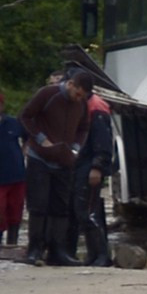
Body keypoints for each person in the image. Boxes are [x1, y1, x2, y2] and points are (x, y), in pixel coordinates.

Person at [18, 70, 88, 267]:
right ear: (71, 85)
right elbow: (26, 116)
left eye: (82, 97)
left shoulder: (81, 104)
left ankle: (57, 250)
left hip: (64, 159)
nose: (78, 99)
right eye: (77, 94)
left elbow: (84, 128)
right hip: (40, 157)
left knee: (60, 206)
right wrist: (41, 139)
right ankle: (34, 249)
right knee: (38, 204)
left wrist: (76, 148)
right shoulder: (47, 94)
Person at [72, 87, 113, 267]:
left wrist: (97, 166)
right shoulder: (89, 105)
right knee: (86, 211)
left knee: (89, 212)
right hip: (85, 164)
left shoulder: (96, 108)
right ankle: (94, 254)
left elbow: (102, 141)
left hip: (90, 166)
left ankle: (102, 255)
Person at [0, 103, 25, 252]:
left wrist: (24, 151)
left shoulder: (13, 123)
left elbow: (28, 137)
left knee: (15, 210)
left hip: (16, 174)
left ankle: (12, 243)